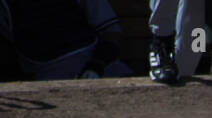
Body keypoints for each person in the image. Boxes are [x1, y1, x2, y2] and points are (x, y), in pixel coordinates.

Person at [0, 0, 131, 80]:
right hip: (50, 74)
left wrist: (97, 65)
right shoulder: (6, 5)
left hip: (99, 64)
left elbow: (112, 33)